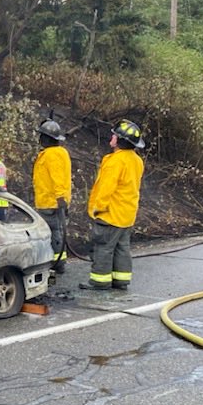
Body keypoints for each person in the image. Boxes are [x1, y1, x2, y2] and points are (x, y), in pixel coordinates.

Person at [80, 119, 145, 291]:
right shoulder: (136, 160)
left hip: (110, 213)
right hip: (127, 214)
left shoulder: (116, 161)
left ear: (120, 140)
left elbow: (106, 187)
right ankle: (121, 280)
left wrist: (97, 208)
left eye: (114, 135)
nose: (112, 137)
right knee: (122, 248)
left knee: (104, 247)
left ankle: (100, 281)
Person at [32, 119, 72, 273]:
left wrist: (61, 198)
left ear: (47, 138)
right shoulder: (53, 153)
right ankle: (57, 262)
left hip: (51, 203)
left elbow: (58, 178)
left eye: (42, 136)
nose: (40, 139)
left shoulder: (52, 154)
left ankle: (57, 263)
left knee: (54, 232)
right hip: (47, 201)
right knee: (55, 232)